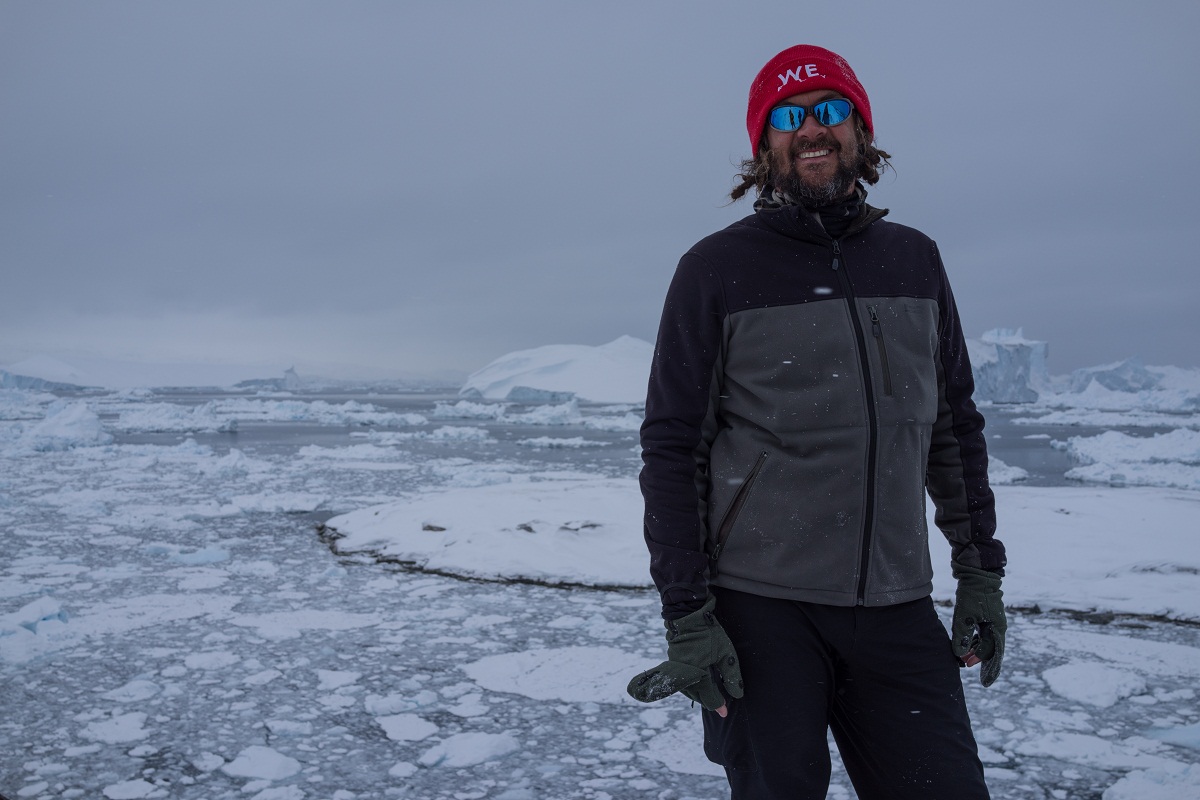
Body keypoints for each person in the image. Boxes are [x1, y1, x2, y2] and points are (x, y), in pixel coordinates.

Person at [627, 44, 1007, 799]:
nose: (813, 130)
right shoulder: (716, 269)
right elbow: (673, 449)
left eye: (831, 111)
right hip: (760, 614)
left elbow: (952, 426)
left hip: (897, 606)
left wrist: (979, 569)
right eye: (789, 117)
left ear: (861, 133)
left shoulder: (914, 260)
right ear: (762, 143)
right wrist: (687, 614)